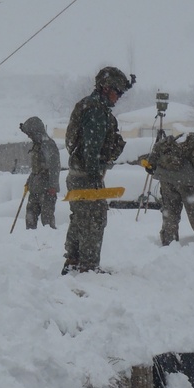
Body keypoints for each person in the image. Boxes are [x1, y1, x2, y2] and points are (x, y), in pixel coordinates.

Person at [62, 65, 133, 273]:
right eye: (117, 91)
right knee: (94, 219)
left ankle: (74, 261)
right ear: (105, 87)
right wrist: (94, 175)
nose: (118, 97)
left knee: (80, 218)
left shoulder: (86, 105)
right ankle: (88, 267)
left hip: (77, 175)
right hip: (86, 176)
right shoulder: (96, 111)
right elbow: (91, 147)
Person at [143, 132, 194, 246]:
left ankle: (169, 241)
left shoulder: (168, 143)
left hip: (167, 180)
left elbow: (151, 163)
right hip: (189, 182)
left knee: (170, 211)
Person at [19, 116, 61, 229]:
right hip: (35, 188)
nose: (29, 136)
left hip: (47, 190)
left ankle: (47, 243)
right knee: (30, 217)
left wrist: (53, 186)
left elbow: (54, 167)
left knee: (47, 221)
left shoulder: (48, 145)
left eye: (30, 133)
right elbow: (36, 169)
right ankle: (31, 240)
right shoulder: (37, 145)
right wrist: (29, 182)